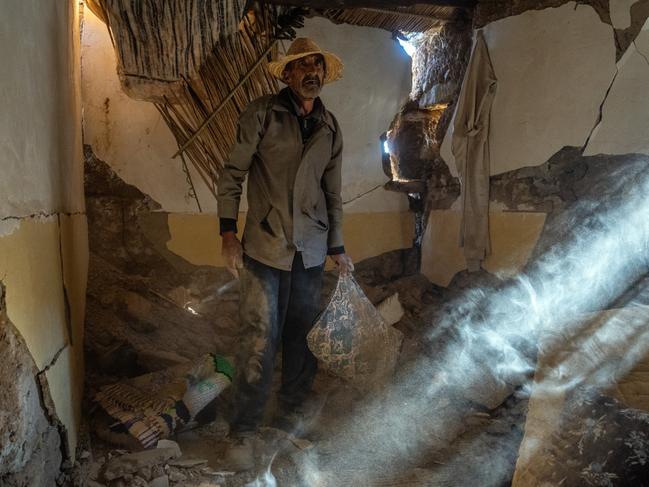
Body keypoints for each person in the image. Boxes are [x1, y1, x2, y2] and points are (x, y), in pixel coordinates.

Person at [217, 37, 354, 470]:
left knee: (302, 339)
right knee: (259, 338)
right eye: (303, 66)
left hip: (310, 252)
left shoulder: (330, 126)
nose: (312, 73)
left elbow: (332, 193)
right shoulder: (262, 114)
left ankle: (289, 421)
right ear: (287, 74)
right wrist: (227, 233)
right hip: (264, 245)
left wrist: (338, 246)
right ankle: (243, 430)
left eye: (318, 66)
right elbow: (232, 174)